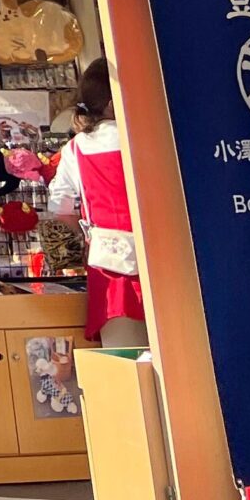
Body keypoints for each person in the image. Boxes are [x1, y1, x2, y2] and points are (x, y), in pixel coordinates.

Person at [47, 60, 144, 346]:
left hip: (109, 264)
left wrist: (87, 234)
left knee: (124, 357)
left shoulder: (76, 148)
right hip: (162, 256)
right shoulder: (145, 136)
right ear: (115, 102)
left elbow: (60, 208)